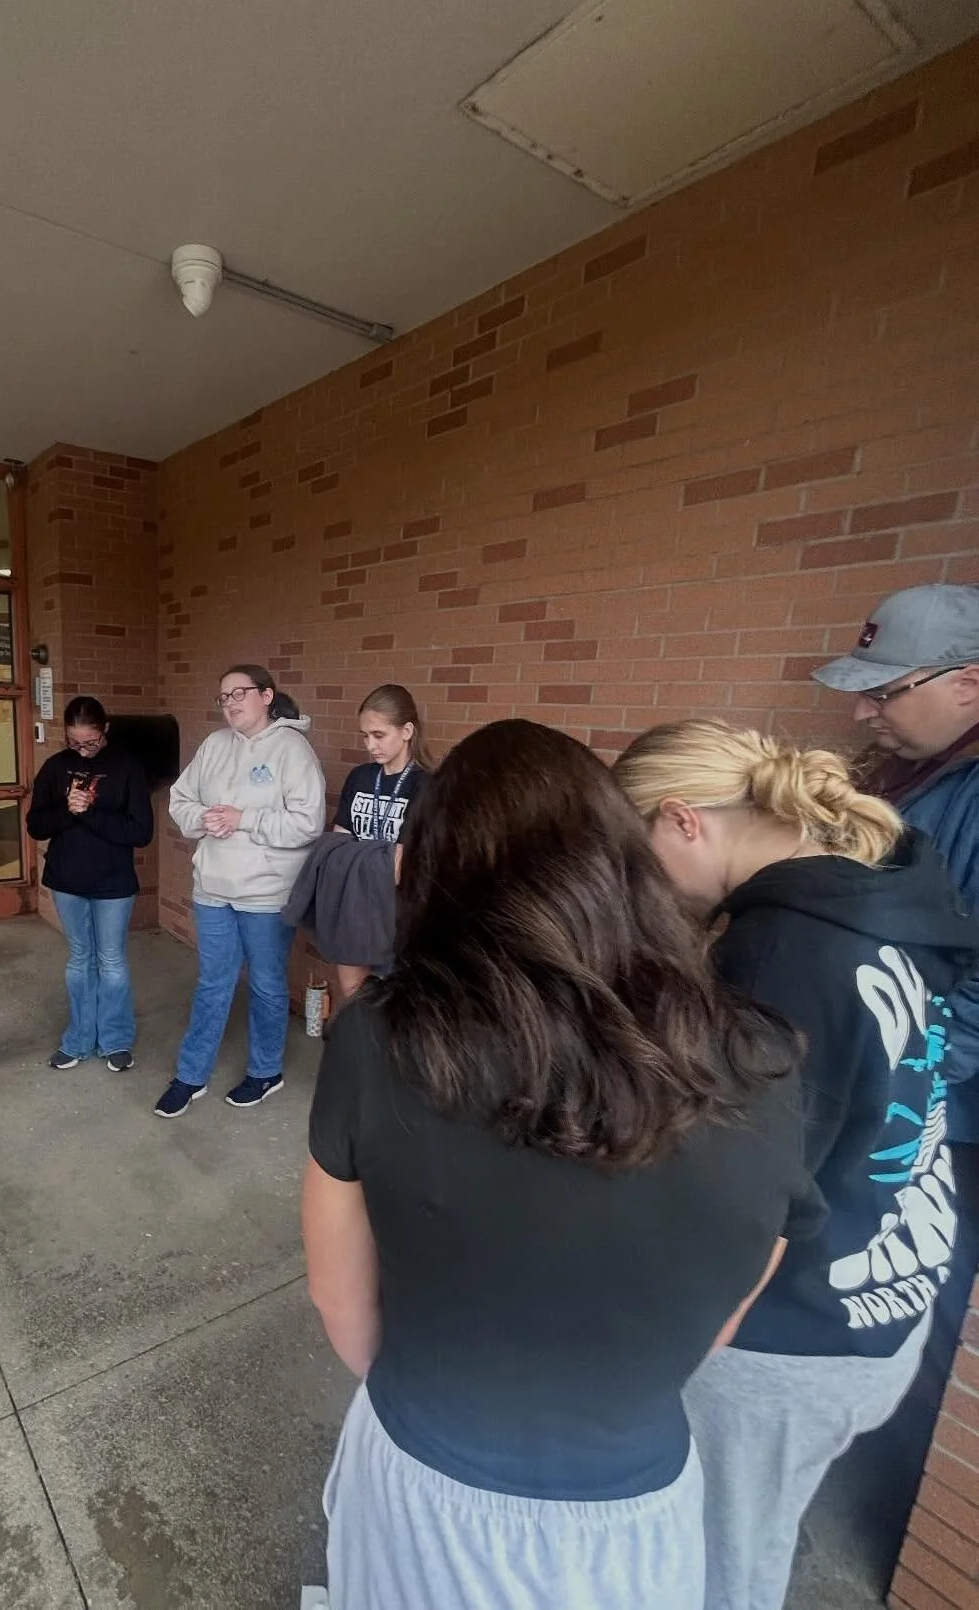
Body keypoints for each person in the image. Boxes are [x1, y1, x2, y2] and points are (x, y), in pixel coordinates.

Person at [305, 718, 819, 1610]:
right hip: (640, 1504)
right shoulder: (756, 1054)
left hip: (427, 1475)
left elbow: (341, 1301)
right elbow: (743, 1283)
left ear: (435, 868)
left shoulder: (379, 1037)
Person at [615, 718, 979, 1610]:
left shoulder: (777, 953)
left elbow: (738, 1204)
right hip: (888, 1294)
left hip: (788, 1336)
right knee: (757, 1530)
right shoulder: (880, 890)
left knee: (719, 1567)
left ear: (681, 821)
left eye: (639, 862)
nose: (645, 894)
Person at [809, 582, 979, 1583]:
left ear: (968, 681)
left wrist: (892, 1095)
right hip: (873, 1085)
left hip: (932, 1115)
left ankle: (907, 1510)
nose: (865, 709)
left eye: (886, 690)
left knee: (921, 1312)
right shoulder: (913, 772)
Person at [158, 665, 325, 1118]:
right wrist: (202, 819)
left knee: (268, 985)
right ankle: (191, 1075)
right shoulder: (214, 746)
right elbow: (180, 797)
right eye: (224, 697)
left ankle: (265, 1070)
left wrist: (243, 819)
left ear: (267, 696)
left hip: (267, 894)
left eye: (240, 693)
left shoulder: (293, 750)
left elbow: (308, 823)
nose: (230, 703)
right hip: (212, 887)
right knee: (213, 983)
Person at [26, 695, 154, 1072]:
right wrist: (68, 810)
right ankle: (79, 1039)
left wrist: (91, 812)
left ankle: (114, 1040)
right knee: (80, 959)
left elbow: (141, 831)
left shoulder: (127, 768)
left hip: (113, 882)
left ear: (105, 731)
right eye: (73, 742)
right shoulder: (55, 767)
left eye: (90, 742)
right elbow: (36, 825)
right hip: (67, 880)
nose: (82, 750)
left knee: (111, 961)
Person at [323, 683, 432, 999]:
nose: (370, 745)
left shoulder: (425, 785)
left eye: (379, 735)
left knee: (394, 1008)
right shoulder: (359, 777)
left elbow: (402, 869)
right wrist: (378, 858)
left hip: (397, 922)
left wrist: (357, 858)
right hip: (353, 911)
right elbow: (335, 849)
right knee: (356, 1001)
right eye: (365, 736)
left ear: (407, 730)